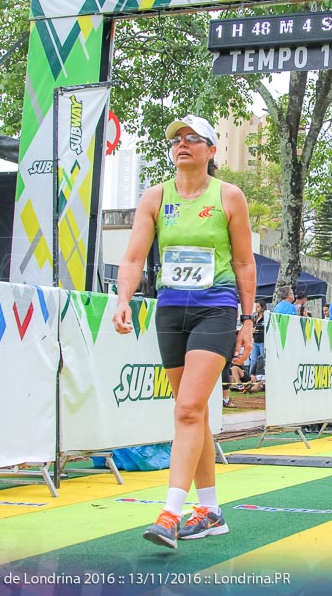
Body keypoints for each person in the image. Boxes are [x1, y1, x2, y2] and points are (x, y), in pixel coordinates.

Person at [112, 113, 255, 549]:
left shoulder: (229, 196)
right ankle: (210, 511)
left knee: (190, 409)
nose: (183, 144)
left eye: (194, 139)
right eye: (177, 138)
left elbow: (246, 262)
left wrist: (247, 321)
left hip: (216, 307)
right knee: (195, 412)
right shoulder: (155, 197)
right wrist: (123, 299)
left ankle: (170, 512)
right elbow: (134, 257)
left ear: (212, 151)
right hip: (171, 308)